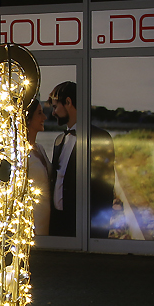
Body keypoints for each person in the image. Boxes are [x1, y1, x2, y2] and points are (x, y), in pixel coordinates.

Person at [48, 81, 116, 239]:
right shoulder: (59, 140)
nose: (53, 113)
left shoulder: (99, 138)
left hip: (84, 229)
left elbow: (105, 190)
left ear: (68, 102)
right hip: (59, 226)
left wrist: (97, 235)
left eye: (55, 107)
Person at [25, 99, 51, 236]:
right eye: (39, 113)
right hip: (32, 224)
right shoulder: (21, 154)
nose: (44, 117)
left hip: (48, 221)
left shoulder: (39, 149)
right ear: (28, 119)